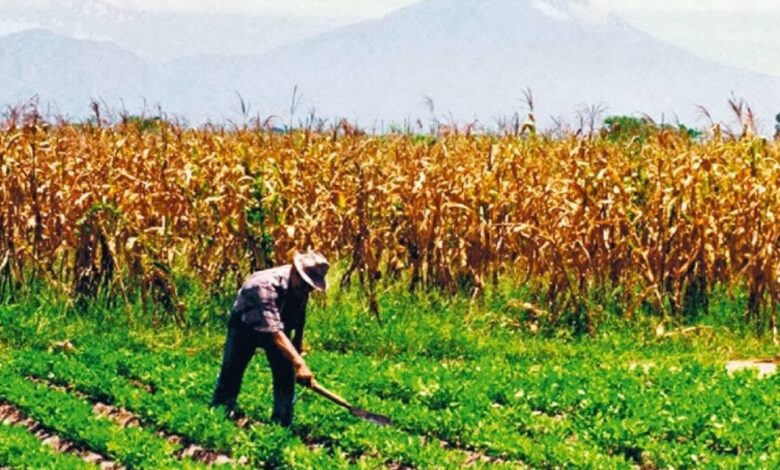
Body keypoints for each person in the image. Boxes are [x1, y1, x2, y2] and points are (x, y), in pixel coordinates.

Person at [210, 250, 329, 426]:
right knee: (233, 369)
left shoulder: (301, 287)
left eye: (310, 287)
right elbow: (274, 332)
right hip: (245, 325)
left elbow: (299, 313)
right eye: (305, 285)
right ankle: (220, 413)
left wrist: (297, 344)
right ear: (295, 272)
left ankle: (282, 424)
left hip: (279, 324)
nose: (307, 290)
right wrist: (300, 364)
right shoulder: (263, 286)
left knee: (285, 374)